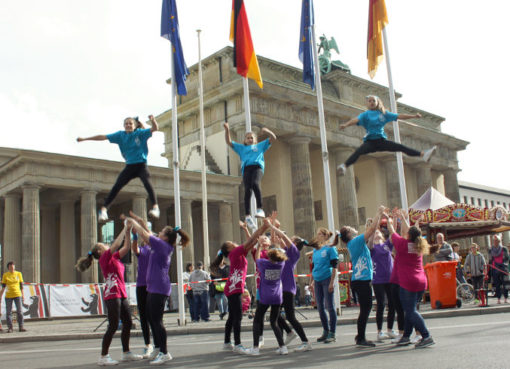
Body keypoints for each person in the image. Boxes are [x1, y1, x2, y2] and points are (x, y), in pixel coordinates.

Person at [75, 222, 142, 366]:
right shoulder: (105, 258)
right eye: (104, 245)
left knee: (128, 322)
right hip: (112, 295)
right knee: (112, 325)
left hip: (121, 293)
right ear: (100, 251)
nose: (107, 245)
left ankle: (126, 352)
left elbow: (126, 247)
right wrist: (124, 228)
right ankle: (103, 356)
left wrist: (129, 232)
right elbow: (117, 244)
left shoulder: (115, 258)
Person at [127, 215, 190, 365]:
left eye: (161, 232)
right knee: (151, 318)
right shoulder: (160, 245)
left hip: (159, 287)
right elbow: (147, 233)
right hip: (153, 287)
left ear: (166, 238)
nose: (159, 233)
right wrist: (139, 223)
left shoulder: (162, 246)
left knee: (157, 321)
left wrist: (134, 224)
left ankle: (165, 352)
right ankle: (157, 347)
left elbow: (145, 234)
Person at [76, 115, 160, 222]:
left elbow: (155, 129)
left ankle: (155, 208)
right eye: (126, 124)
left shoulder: (140, 133)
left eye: (130, 123)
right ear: (124, 126)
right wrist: (85, 139)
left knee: (147, 183)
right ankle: (103, 210)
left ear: (135, 126)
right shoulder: (120, 135)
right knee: (117, 186)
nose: (128, 125)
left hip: (141, 165)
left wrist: (153, 120)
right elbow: (103, 137)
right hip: (130, 166)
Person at [210, 218, 270, 354]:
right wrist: (263, 228)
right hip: (233, 288)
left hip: (233, 287)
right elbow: (252, 240)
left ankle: (227, 342)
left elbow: (253, 242)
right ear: (230, 249)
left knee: (232, 316)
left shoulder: (239, 253)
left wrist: (256, 231)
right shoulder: (235, 253)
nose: (235, 243)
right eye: (232, 243)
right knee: (237, 317)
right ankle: (237, 344)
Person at [336, 95, 436, 175]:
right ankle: (344, 166)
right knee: (358, 152)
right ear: (367, 104)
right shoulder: (365, 114)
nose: (371, 102)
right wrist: (346, 124)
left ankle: (423, 154)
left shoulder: (384, 113)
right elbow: (356, 120)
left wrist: (413, 116)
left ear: (377, 103)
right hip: (370, 142)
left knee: (400, 147)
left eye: (373, 101)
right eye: (369, 101)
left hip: (381, 141)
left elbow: (399, 116)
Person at [388, 210, 435, 348]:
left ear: (408, 235)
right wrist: (403, 218)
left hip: (408, 282)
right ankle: (406, 336)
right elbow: (413, 231)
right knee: (411, 309)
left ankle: (426, 335)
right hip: (421, 281)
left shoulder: (403, 244)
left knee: (410, 311)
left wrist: (390, 221)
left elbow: (393, 233)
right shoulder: (419, 245)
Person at [340, 207, 384, 347]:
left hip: (361, 279)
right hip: (361, 280)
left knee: (365, 308)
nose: (352, 227)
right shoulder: (355, 241)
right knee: (365, 309)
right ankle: (360, 338)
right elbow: (370, 232)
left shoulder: (355, 242)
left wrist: (373, 223)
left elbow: (370, 239)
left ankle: (360, 336)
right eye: (349, 228)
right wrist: (378, 213)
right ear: (348, 233)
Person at [223, 122, 276, 230]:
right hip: (247, 169)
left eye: (251, 138)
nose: (250, 139)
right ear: (245, 140)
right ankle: (247, 216)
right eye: (248, 138)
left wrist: (267, 131)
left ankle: (260, 208)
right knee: (247, 189)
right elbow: (228, 142)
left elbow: (273, 138)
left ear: (255, 140)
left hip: (257, 168)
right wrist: (227, 129)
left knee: (255, 184)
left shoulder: (260, 146)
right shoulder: (241, 148)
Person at [271, 228, 311, 352]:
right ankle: (287, 335)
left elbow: (284, 238)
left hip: (287, 288)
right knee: (275, 315)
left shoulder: (294, 252)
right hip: (281, 288)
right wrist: (275, 232)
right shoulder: (286, 252)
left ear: (295, 244)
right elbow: (279, 241)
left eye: (291, 240)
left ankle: (305, 341)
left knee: (290, 317)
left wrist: (273, 227)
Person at [246, 247, 288, 356]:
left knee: (257, 320)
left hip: (265, 296)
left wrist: (259, 246)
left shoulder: (264, 264)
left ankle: (255, 348)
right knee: (274, 322)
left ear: (269, 257)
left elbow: (257, 258)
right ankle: (283, 347)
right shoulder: (281, 264)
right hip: (277, 296)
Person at [128, 211, 154, 359]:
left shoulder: (156, 248)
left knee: (153, 316)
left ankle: (157, 344)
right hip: (141, 285)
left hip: (152, 285)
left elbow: (149, 234)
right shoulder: (142, 249)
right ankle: (147, 344)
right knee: (143, 316)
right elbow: (135, 249)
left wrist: (140, 222)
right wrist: (135, 236)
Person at [308, 227, 338, 344]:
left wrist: (332, 282)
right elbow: (314, 267)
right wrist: (311, 282)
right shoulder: (316, 250)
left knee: (330, 306)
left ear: (325, 236)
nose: (318, 236)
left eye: (320, 234)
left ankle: (332, 332)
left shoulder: (330, 248)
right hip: (317, 280)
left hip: (327, 279)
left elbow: (334, 266)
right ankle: (325, 330)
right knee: (320, 307)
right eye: (317, 234)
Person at [370, 225, 398, 342]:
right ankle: (379, 331)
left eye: (378, 232)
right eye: (375, 233)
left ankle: (390, 329)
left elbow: (393, 233)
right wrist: (373, 228)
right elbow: (370, 240)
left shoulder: (387, 245)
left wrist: (392, 220)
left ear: (382, 235)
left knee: (392, 304)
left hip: (390, 279)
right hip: (378, 280)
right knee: (380, 305)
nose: (377, 234)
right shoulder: (372, 248)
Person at [0, 261, 26, 333]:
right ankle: (10, 327)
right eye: (11, 267)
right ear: (8, 268)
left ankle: (21, 326)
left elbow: (21, 286)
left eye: (13, 267)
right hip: (8, 296)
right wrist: (0, 295)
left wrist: (23, 295)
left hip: (17, 295)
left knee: (20, 311)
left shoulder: (19, 274)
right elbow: (3, 287)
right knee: (8, 312)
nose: (12, 269)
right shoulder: (5, 275)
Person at [488, 234, 509, 304]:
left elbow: (507, 258)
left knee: (505, 284)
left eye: (497, 241)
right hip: (495, 269)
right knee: (497, 284)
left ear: (499, 241)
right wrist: (491, 266)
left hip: (503, 268)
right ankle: (499, 299)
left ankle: (506, 298)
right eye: (494, 241)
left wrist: (504, 265)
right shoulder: (490, 250)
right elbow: (490, 260)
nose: (495, 242)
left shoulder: (504, 249)